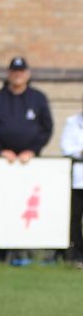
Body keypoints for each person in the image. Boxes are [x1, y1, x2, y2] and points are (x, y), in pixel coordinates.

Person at [0, 56, 53, 265]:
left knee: (26, 206)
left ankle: (24, 250)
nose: (17, 75)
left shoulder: (37, 98)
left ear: (27, 74)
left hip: (28, 163)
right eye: (14, 71)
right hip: (2, 162)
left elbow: (47, 128)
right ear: (8, 73)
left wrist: (33, 149)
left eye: (21, 71)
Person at [60, 95, 83, 268]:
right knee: (75, 217)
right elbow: (67, 147)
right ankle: (76, 253)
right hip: (79, 177)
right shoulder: (73, 122)